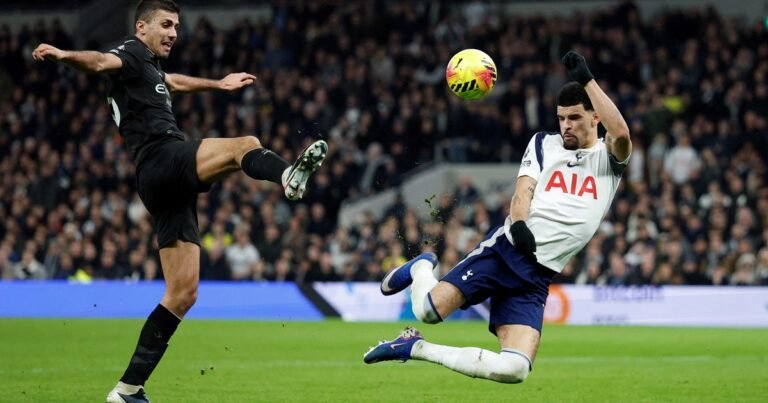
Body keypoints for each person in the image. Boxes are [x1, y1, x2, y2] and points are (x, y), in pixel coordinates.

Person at [32, 1, 328, 401]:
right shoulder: (132, 52)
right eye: (166, 25)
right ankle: (287, 177)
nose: (174, 33)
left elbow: (174, 82)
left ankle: (127, 389)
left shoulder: (149, 66)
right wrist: (65, 55)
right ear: (142, 27)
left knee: (182, 294)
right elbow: (100, 63)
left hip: (157, 181)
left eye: (177, 27)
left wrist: (218, 84)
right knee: (245, 144)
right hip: (160, 158)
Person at [363, 51, 632, 384]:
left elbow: (621, 133)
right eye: (561, 118)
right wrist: (518, 225)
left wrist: (588, 80)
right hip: (506, 252)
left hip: (537, 277)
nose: (566, 126)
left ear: (595, 118)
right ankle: (420, 267)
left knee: (515, 370)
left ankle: (415, 347)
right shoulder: (544, 144)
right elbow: (523, 193)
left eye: (575, 118)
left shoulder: (607, 159)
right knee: (427, 312)